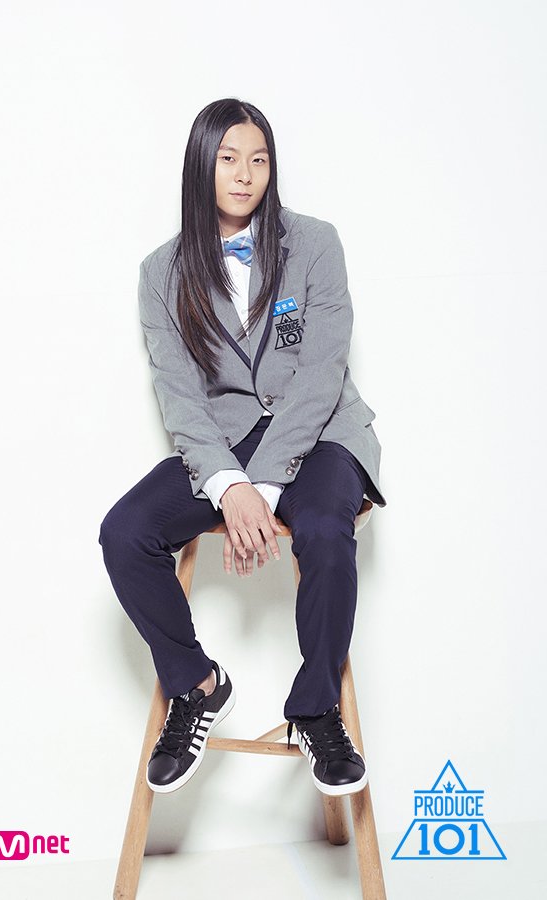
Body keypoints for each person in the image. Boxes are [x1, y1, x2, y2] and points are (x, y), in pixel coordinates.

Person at [98, 97, 387, 798]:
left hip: (323, 433)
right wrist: (229, 483)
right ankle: (196, 685)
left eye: (259, 159)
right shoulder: (161, 273)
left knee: (324, 529)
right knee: (125, 532)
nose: (245, 174)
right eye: (229, 158)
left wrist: (264, 488)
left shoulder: (315, 243)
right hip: (223, 442)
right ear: (202, 165)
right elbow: (178, 394)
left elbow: (322, 372)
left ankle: (316, 710)